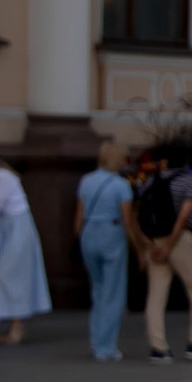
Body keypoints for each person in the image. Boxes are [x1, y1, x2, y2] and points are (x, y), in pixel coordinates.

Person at [127, 154, 192, 360]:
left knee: (157, 294)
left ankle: (158, 347)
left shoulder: (150, 181)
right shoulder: (189, 181)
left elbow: (136, 215)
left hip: (153, 240)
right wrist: (169, 245)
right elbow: (184, 216)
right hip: (179, 241)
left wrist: (148, 244)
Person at [0, 146, 52, 343]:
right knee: (10, 275)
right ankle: (13, 325)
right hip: (8, 229)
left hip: (18, 228)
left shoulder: (3, 177)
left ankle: (16, 327)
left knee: (11, 276)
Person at [75, 142, 131, 360]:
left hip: (88, 233)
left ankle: (96, 340)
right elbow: (127, 219)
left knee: (97, 290)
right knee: (113, 292)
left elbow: (78, 217)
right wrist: (138, 245)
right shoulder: (121, 185)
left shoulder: (86, 181)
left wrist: (79, 239)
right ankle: (106, 347)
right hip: (112, 233)